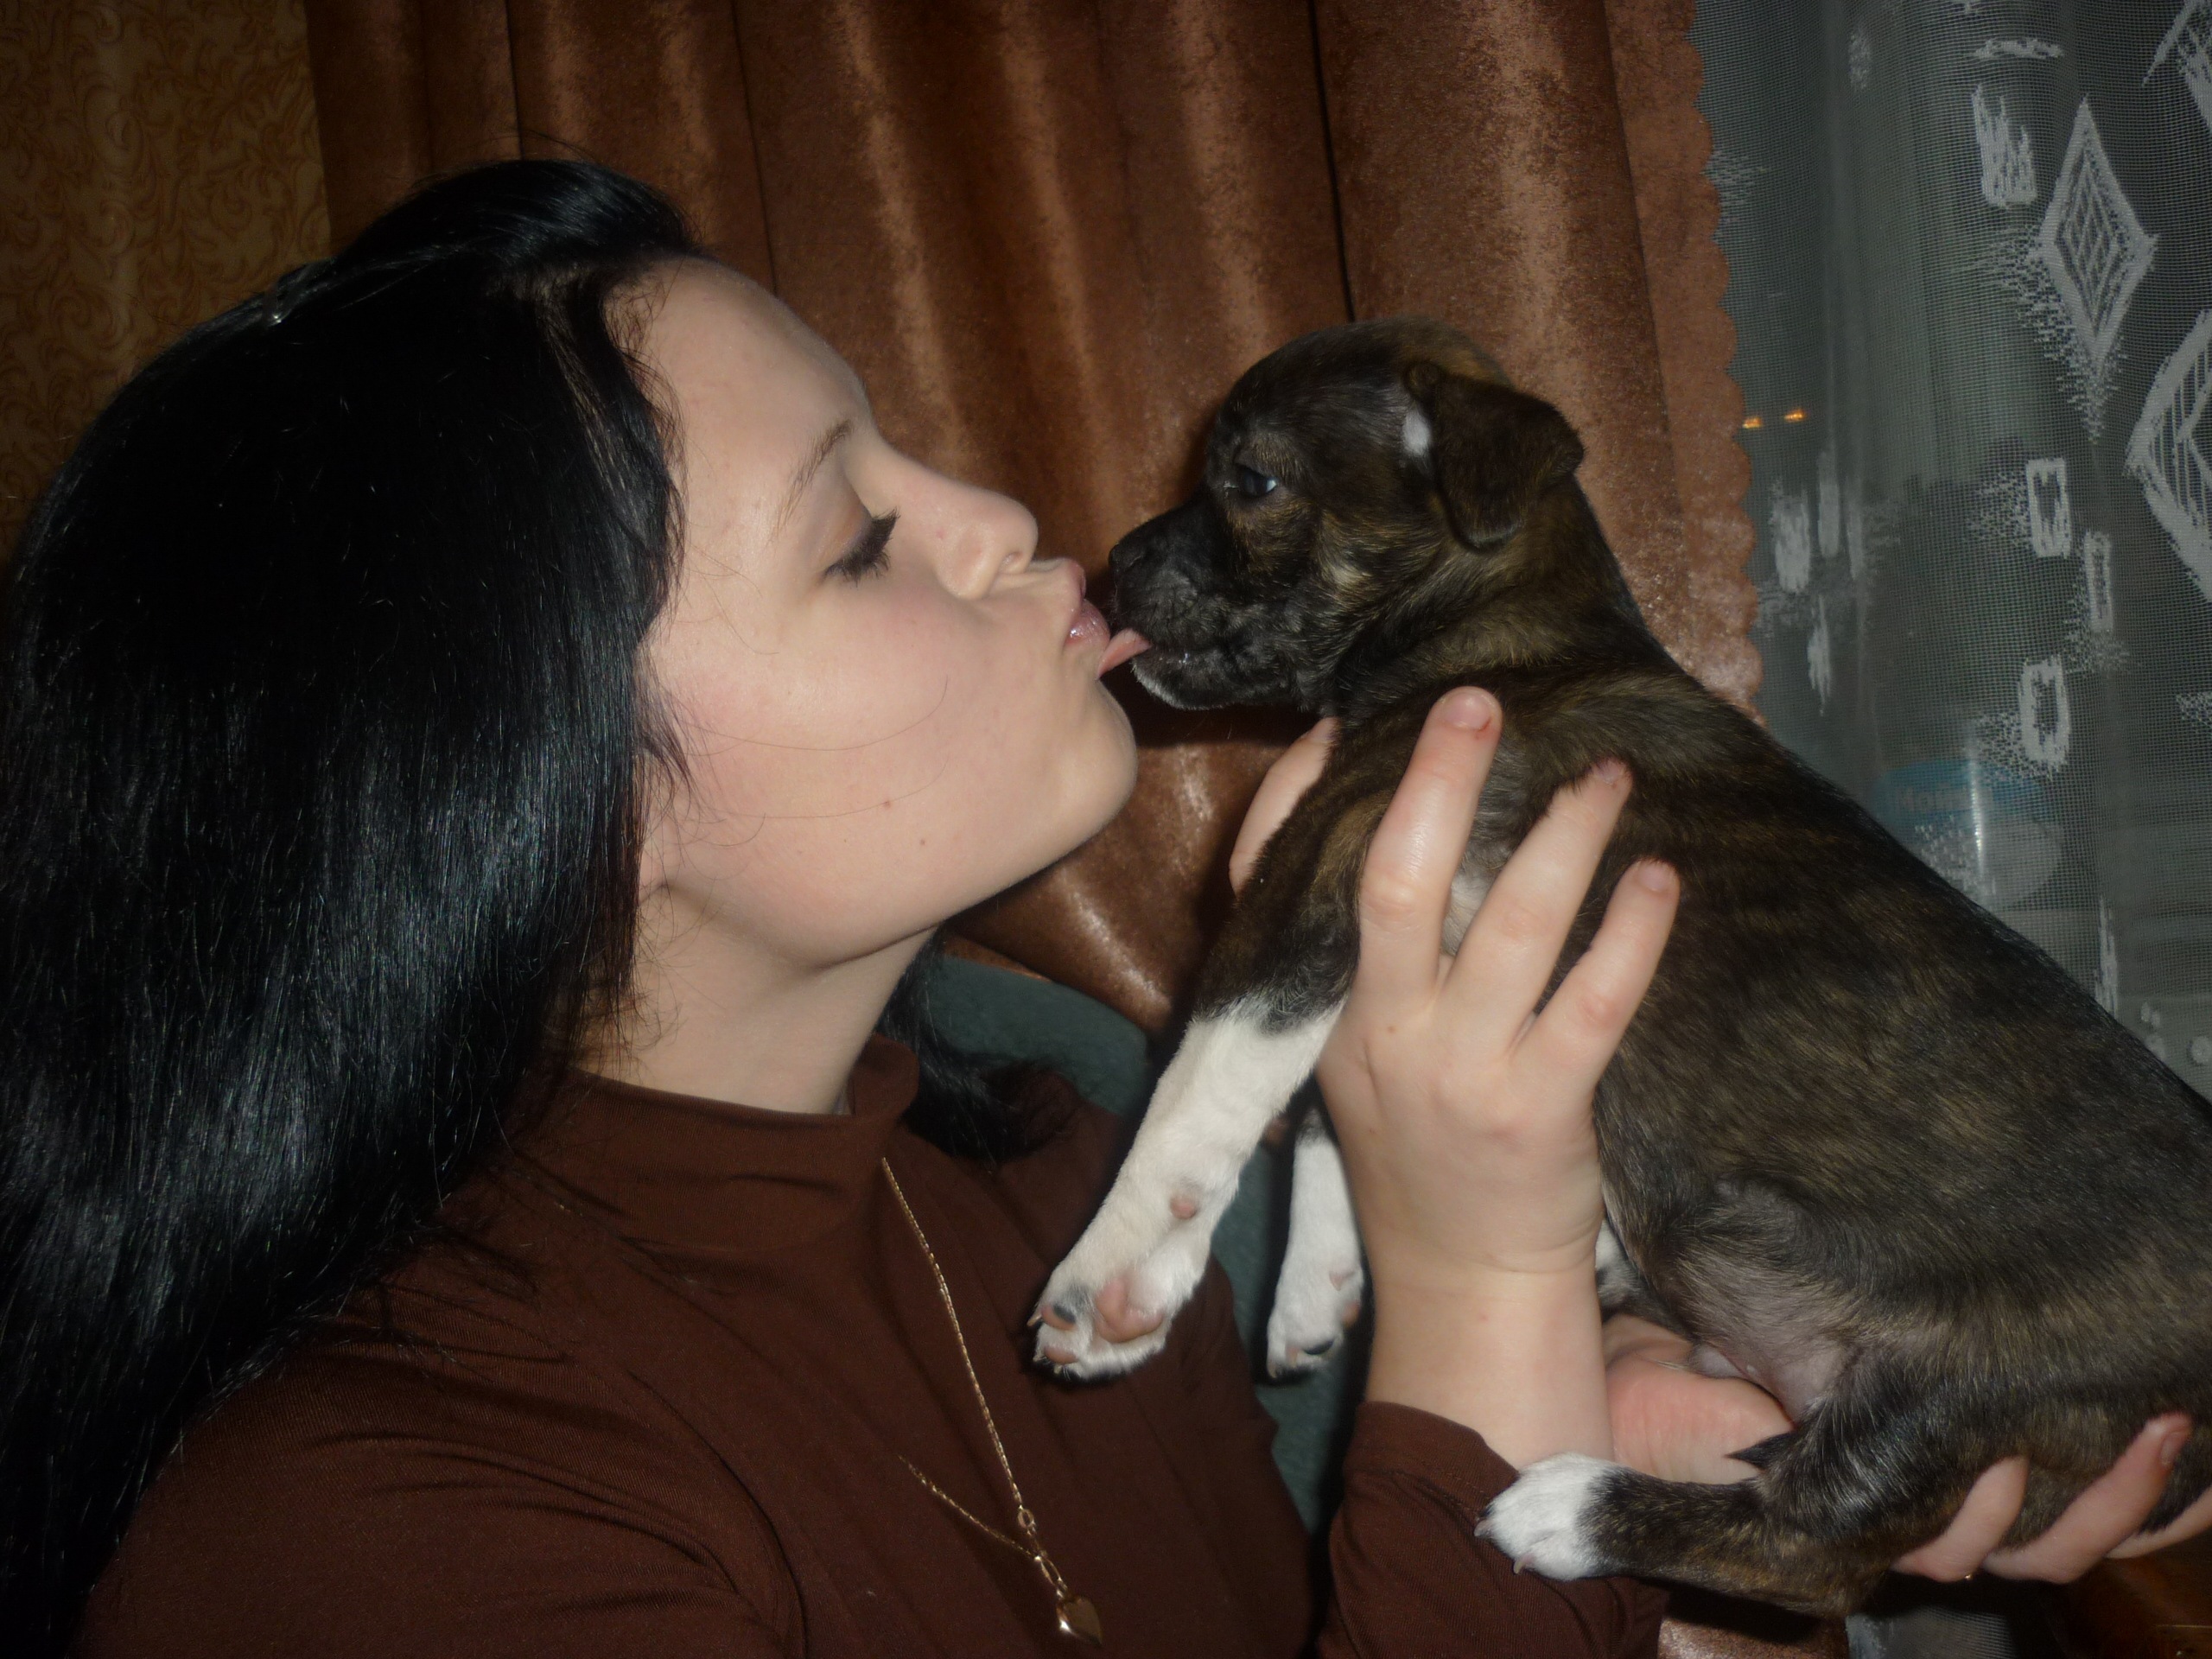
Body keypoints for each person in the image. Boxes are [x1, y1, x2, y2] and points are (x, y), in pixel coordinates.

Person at [2, 161, 2202, 1658]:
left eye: (905, 453)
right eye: (858, 536)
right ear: (541, 804)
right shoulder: (370, 1537)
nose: (1000, 517)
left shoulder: (1048, 1155)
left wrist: (1610, 1453)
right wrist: (1478, 1283)